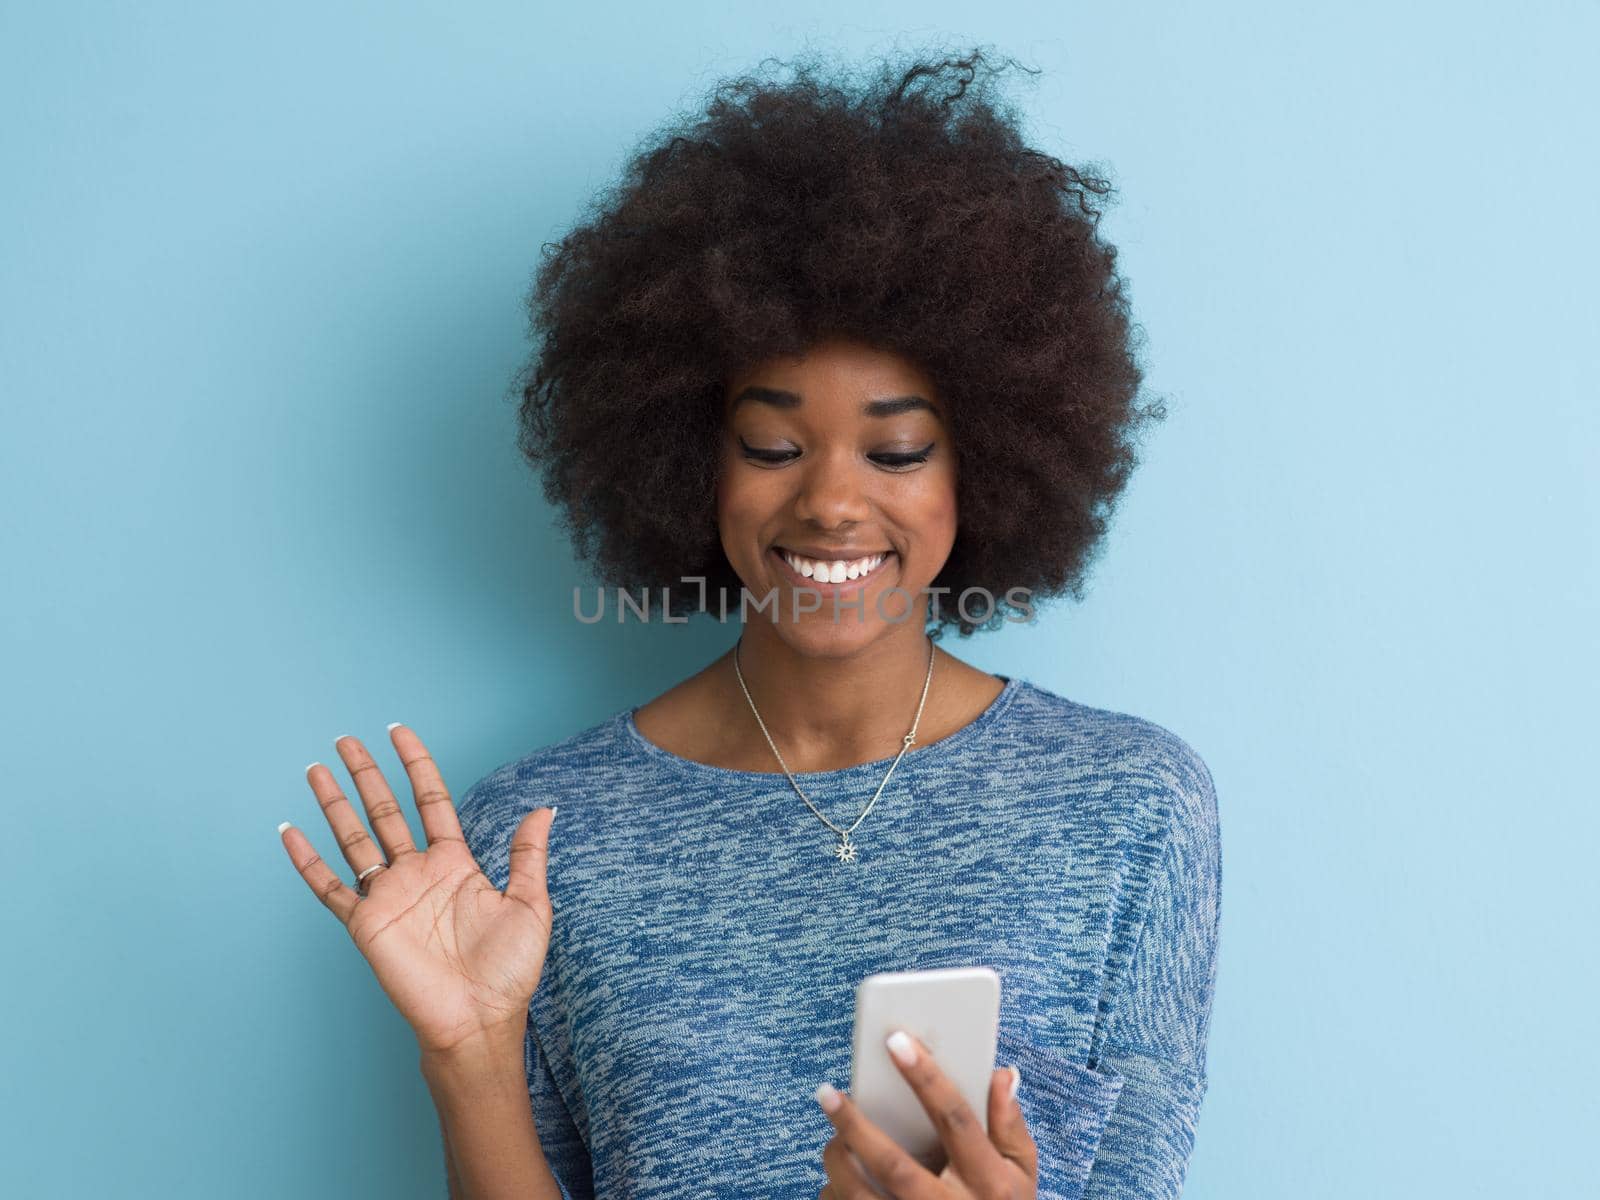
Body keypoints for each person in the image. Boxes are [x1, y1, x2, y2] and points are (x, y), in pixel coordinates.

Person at [278, 47, 1221, 1200]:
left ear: (986, 464)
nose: (829, 500)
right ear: (688, 464)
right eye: (773, 446)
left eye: (895, 450)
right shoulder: (532, 844)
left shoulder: (1127, 804)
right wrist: (469, 1058)